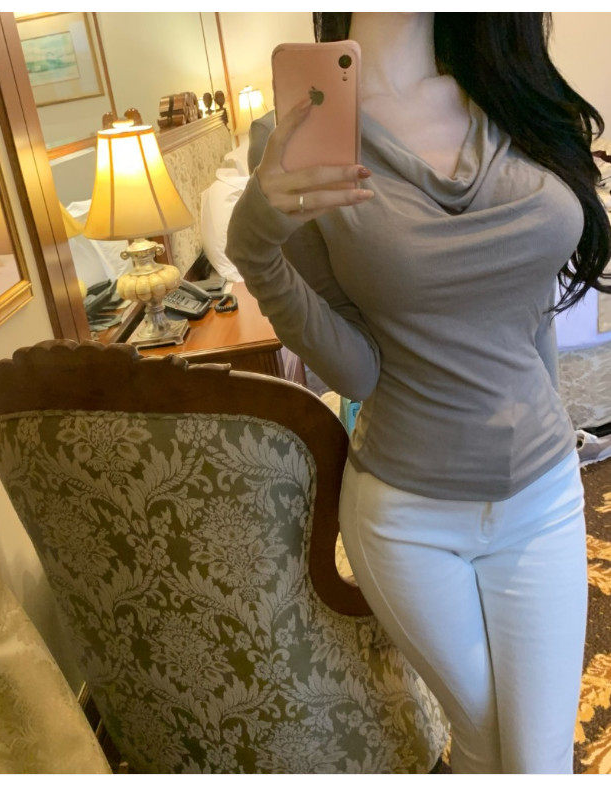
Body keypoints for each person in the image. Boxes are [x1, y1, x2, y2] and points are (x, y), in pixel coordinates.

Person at [224, 11, 611, 774]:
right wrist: (254, 244)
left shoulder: (512, 95)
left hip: (544, 497)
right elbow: (358, 372)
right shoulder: (300, 135)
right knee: (484, 741)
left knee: (536, 760)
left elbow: (532, 308)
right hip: (409, 520)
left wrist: (559, 436)